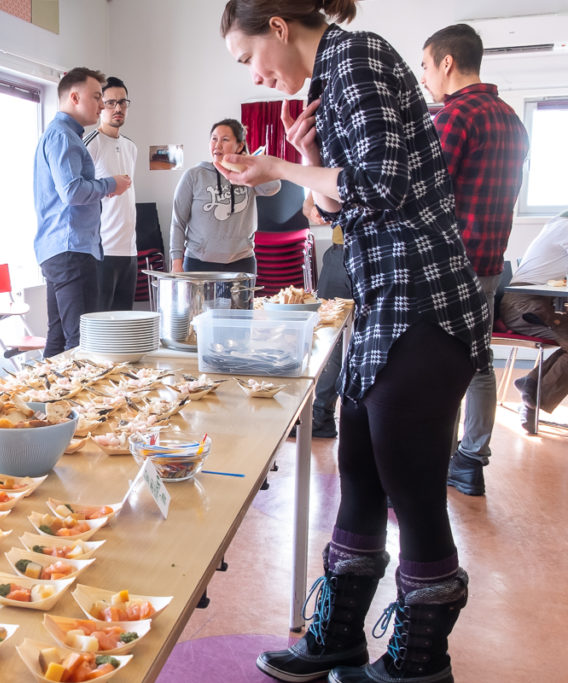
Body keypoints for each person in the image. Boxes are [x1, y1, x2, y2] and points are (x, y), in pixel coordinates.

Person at [219, 2, 490, 682]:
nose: (254, 74)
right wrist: (310, 158)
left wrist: (281, 167)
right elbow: (345, 201)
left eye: (248, 56)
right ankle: (338, 637)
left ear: (278, 26)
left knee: (413, 488)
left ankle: (420, 662)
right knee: (361, 477)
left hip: (421, 300)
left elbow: (383, 183)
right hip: (385, 302)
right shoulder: (335, 74)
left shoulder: (358, 57)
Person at [420, 23, 530, 497]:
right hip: (490, 263)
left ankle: (433, 457)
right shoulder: (512, 119)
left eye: (425, 66)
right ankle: (471, 462)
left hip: (446, 268)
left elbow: (425, 197)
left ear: (447, 63)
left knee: (434, 366)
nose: (424, 77)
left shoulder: (454, 117)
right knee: (480, 365)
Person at [34, 67, 132, 357]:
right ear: (74, 97)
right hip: (71, 249)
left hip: (60, 249)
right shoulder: (64, 137)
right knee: (82, 343)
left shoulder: (60, 134)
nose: (102, 104)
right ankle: (76, 404)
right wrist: (110, 184)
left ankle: (50, 400)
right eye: (97, 97)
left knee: (58, 337)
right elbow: (72, 191)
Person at [169, 118, 280, 274]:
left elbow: (273, 187)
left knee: (244, 300)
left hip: (242, 262)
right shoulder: (194, 176)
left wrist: (247, 163)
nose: (217, 145)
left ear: (240, 146)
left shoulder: (247, 175)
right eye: (214, 139)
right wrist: (176, 264)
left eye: (225, 140)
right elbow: (178, 222)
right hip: (198, 262)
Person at [501, 210, 568, 432]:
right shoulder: (564, 228)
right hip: (523, 305)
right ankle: (533, 394)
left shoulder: (557, 223)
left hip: (538, 303)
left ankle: (532, 388)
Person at [85, 76, 139, 312]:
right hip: (101, 251)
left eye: (123, 102)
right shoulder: (90, 145)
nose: (118, 108)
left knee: (124, 324)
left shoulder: (131, 147)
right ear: (100, 106)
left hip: (129, 251)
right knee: (99, 326)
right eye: (111, 103)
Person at [307, 193, 350, 438]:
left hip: (381, 251)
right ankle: (321, 415)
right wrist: (312, 207)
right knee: (329, 335)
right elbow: (308, 203)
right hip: (340, 252)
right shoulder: (332, 157)